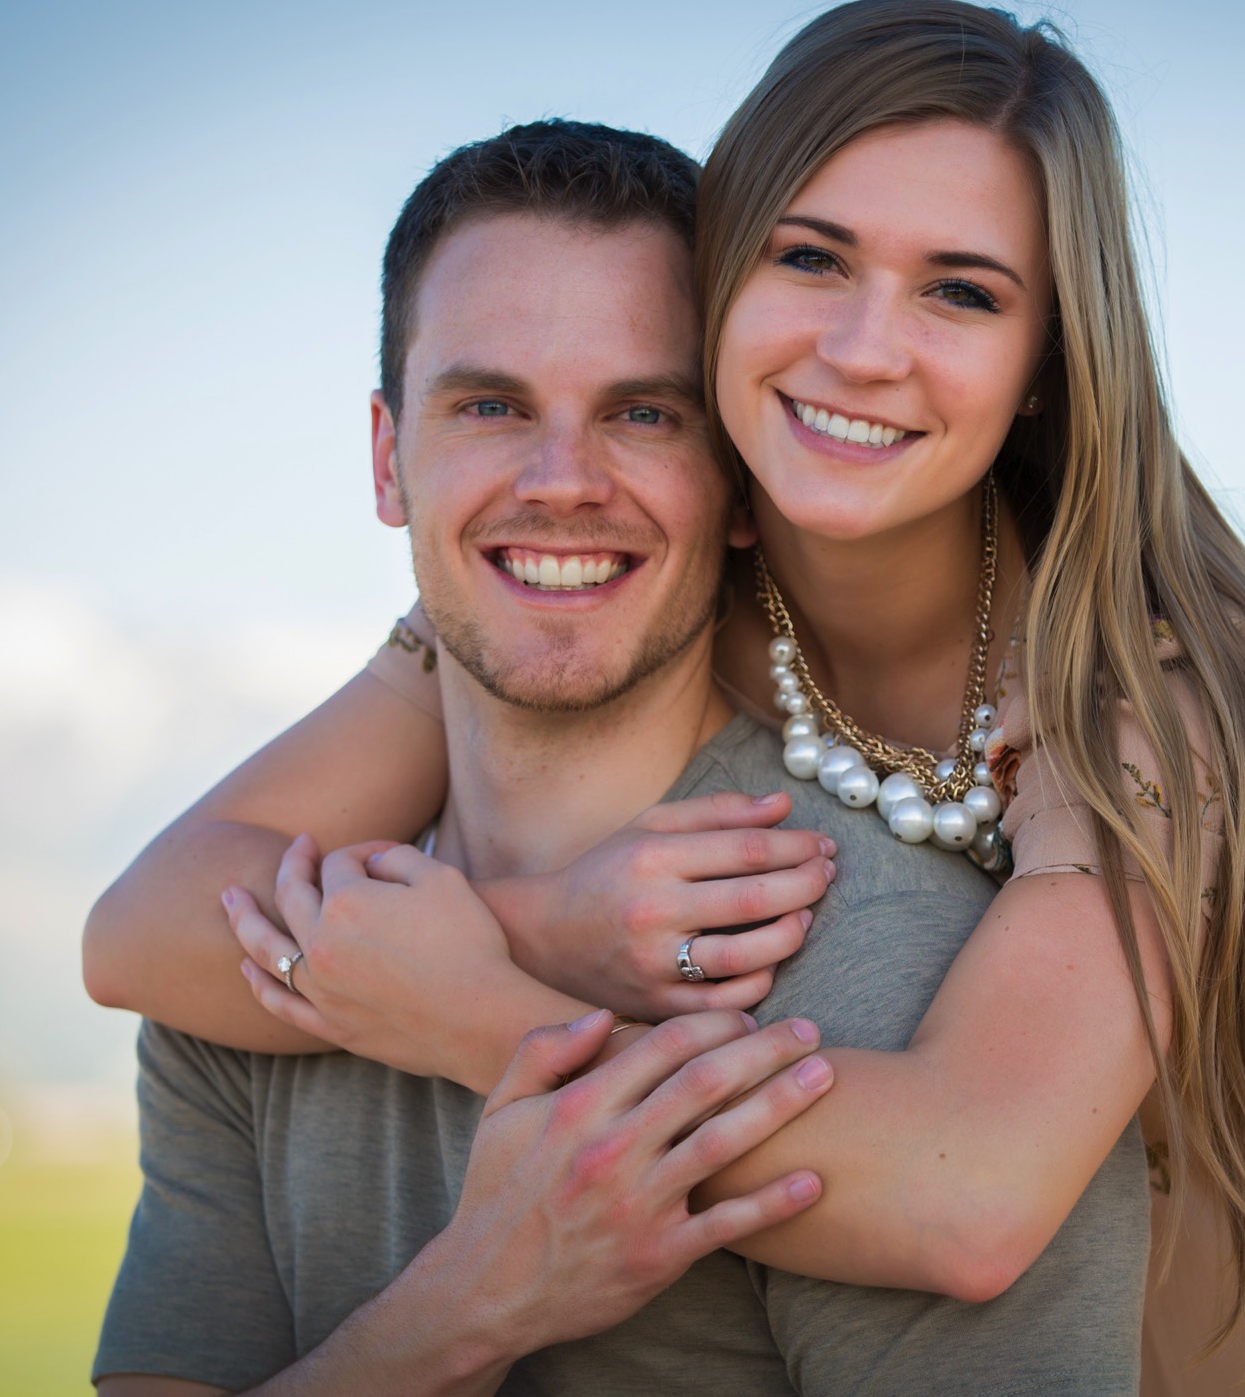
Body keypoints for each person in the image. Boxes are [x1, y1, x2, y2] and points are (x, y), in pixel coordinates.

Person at [91, 0, 1245, 1395]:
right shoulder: (603, 585)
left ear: (1046, 359)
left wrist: (480, 1008)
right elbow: (144, 927)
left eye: (960, 292)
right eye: (810, 259)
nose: (864, 350)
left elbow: (972, 1192)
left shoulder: (1139, 684)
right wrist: (538, 925)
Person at [89, 118, 1150, 1395]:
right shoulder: (273, 954)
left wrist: (487, 1004)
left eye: (643, 414)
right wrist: (460, 1314)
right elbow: (120, 937)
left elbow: (969, 1200)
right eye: (490, 407)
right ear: (387, 457)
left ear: (742, 481)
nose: (561, 482)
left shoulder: (896, 979)